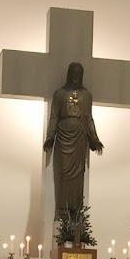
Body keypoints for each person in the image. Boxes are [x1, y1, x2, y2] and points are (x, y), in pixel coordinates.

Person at [43, 61, 104, 217]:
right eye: (73, 74)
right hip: (63, 138)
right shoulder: (59, 94)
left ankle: (76, 211)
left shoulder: (86, 96)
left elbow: (89, 118)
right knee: (63, 174)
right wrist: (50, 137)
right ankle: (62, 210)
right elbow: (54, 117)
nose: (76, 77)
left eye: (79, 74)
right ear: (68, 75)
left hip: (79, 139)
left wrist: (94, 138)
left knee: (78, 176)